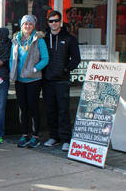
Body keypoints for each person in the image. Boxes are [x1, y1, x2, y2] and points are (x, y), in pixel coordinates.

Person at [43, 10, 81, 151]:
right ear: (48, 22)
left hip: (62, 81)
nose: (54, 23)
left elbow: (76, 58)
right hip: (47, 80)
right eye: (51, 21)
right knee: (50, 110)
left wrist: (66, 69)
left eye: (56, 20)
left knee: (63, 110)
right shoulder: (44, 38)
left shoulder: (69, 38)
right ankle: (54, 137)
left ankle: (66, 139)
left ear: (61, 21)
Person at [9, 15, 49, 148]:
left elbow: (45, 58)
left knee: (33, 107)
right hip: (19, 80)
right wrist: (12, 70)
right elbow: (11, 59)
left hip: (34, 79)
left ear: (34, 26)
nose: (27, 26)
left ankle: (35, 136)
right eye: (25, 24)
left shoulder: (39, 41)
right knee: (22, 108)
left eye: (30, 24)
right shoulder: (16, 40)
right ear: (21, 26)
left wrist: (34, 69)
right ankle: (24, 135)